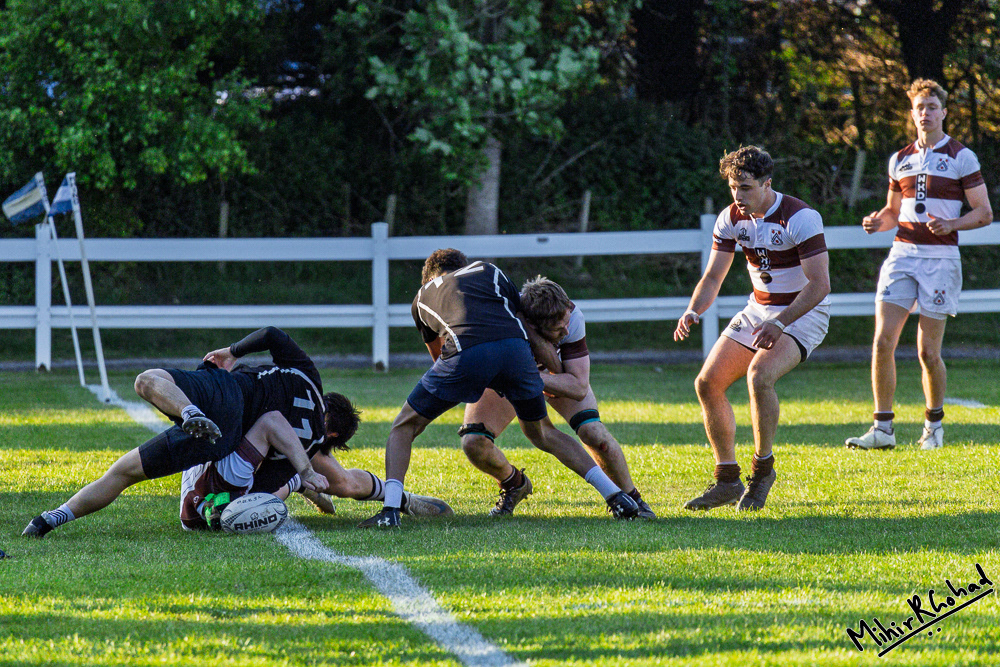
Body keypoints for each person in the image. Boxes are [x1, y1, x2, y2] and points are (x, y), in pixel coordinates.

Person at [359, 249, 640, 528]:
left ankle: (391, 509)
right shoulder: (488, 269)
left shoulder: (421, 298)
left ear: (429, 279)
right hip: (517, 352)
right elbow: (521, 322)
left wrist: (474, 378)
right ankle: (615, 496)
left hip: (467, 355)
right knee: (543, 433)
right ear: (463, 266)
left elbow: (437, 357)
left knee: (404, 426)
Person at [22, 327, 334, 537]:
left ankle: (51, 517)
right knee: (128, 472)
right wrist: (301, 477)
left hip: (228, 393)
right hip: (221, 443)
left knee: (146, 381)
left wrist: (233, 351)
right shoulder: (307, 444)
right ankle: (51, 518)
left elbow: (271, 334)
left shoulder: (309, 377)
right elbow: (259, 494)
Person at [674, 145, 831, 511]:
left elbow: (820, 285)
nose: (738, 195)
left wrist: (780, 322)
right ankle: (727, 480)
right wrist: (693, 310)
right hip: (759, 308)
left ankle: (762, 471)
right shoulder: (730, 218)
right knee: (707, 383)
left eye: (746, 187)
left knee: (759, 376)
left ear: (766, 183)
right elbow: (714, 275)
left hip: (803, 312)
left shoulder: (800, 217)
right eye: (733, 187)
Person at [845, 79, 992, 452]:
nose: (925, 114)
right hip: (903, 256)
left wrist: (952, 224)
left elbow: (984, 213)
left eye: (931, 107)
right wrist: (877, 221)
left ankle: (933, 427)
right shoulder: (900, 158)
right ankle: (882, 429)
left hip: (940, 260)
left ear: (944, 112)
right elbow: (893, 211)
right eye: (919, 108)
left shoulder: (962, 157)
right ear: (911, 114)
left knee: (928, 352)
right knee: (882, 342)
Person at [459, 276, 655, 518]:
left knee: (594, 434)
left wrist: (533, 377)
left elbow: (577, 386)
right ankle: (513, 483)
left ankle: (632, 499)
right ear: (531, 323)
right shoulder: (503, 324)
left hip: (546, 375)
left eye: (566, 322)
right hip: (508, 375)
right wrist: (520, 375)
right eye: (556, 329)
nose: (565, 330)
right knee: (473, 442)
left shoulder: (572, 318)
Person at [180, 392, 453, 530]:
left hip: (226, 477)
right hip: (207, 470)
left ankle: (296, 480)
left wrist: (403, 499)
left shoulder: (306, 434)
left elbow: (347, 483)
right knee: (246, 505)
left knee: (255, 503)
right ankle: (296, 480)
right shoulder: (283, 414)